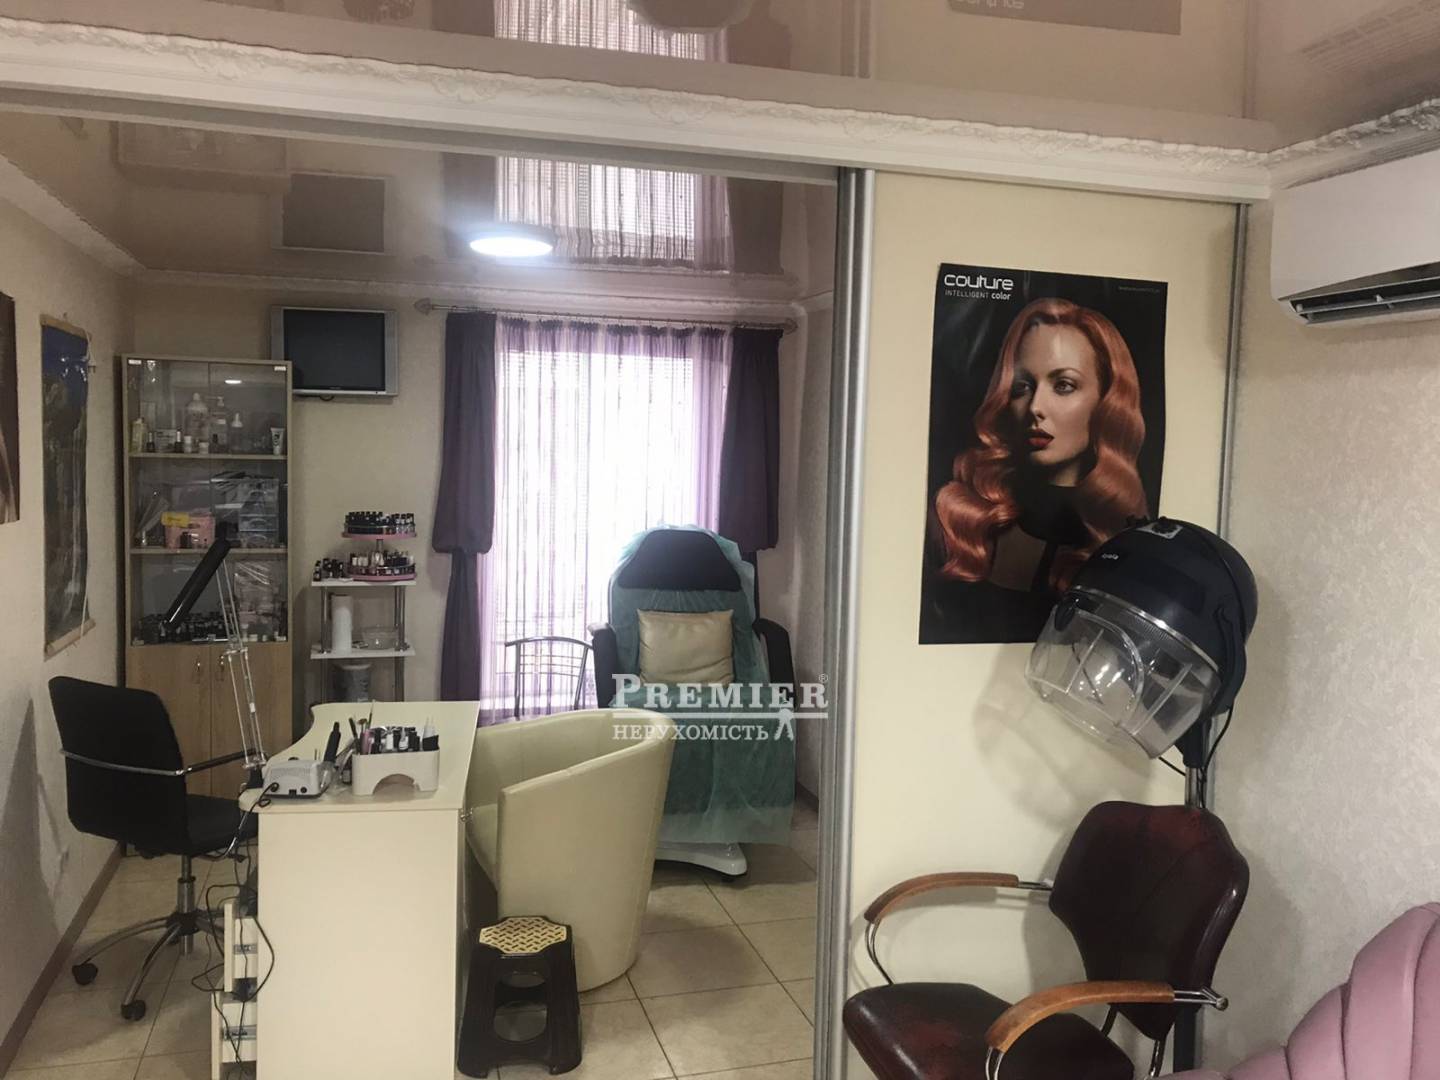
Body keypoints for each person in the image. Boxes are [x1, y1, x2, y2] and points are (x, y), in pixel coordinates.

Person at [923, 297, 1149, 641]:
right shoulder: (958, 522)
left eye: (1064, 385)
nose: (1035, 408)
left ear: (1107, 402)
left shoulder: (1126, 546)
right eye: (1022, 387)